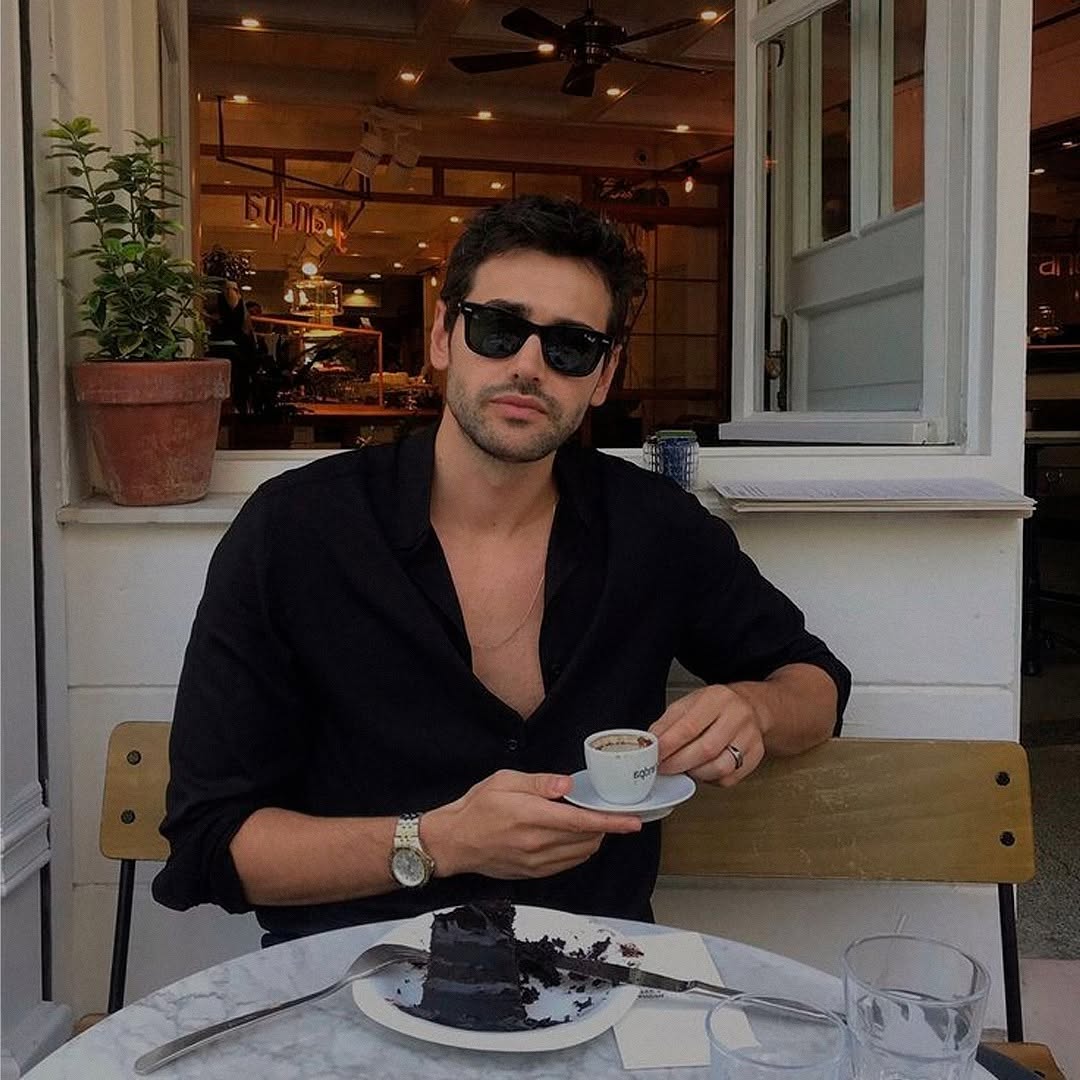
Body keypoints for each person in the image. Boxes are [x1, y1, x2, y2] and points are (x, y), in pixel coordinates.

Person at [154, 195, 850, 945]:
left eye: (571, 346)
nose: (527, 366)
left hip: (594, 974)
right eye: (498, 329)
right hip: (355, 974)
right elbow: (212, 842)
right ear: (444, 336)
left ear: (604, 375)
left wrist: (755, 709)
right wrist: (438, 842)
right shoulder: (295, 531)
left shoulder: (655, 528)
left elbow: (815, 682)